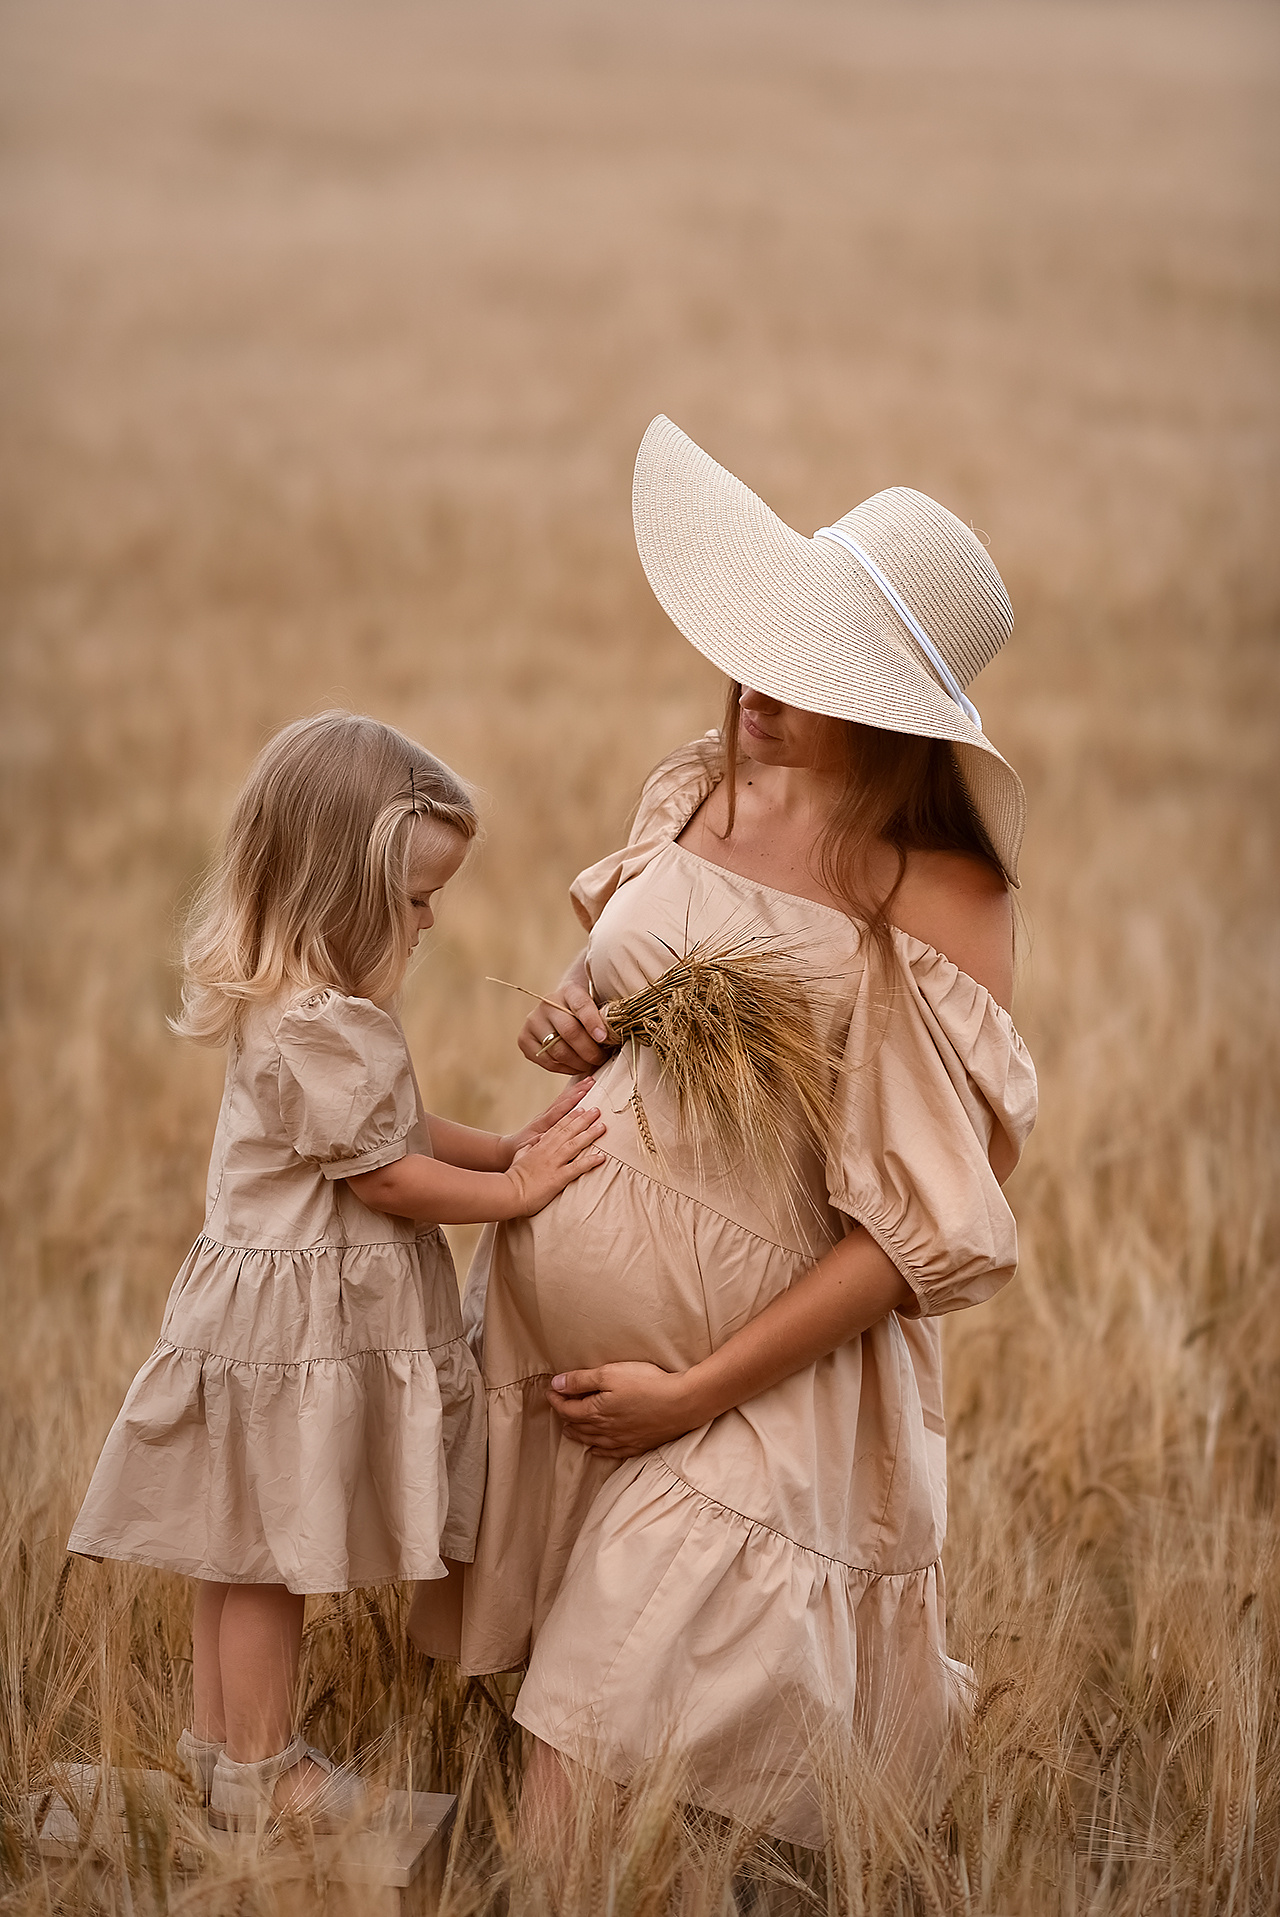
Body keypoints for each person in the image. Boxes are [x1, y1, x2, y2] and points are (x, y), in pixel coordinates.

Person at [411, 418, 1039, 1848]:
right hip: (560, 1346)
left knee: (565, 1825)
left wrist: (694, 1396)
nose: (759, 685)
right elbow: (632, 986)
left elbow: (911, 1234)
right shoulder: (703, 782)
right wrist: (578, 1015)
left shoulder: (939, 896)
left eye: (810, 672)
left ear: (894, 707)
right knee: (566, 1780)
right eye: (763, 641)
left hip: (758, 1397)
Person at [67, 711, 606, 1831]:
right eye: (412, 899)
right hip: (289, 1334)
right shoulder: (319, 1023)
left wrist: (501, 1146)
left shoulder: (304, 1005)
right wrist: (514, 1193)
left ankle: (217, 1750)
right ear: (335, 892)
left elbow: (398, 1123)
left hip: (259, 1315)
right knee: (268, 1560)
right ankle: (262, 1777)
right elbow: (388, 1178)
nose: (429, 919)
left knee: (238, 1546)